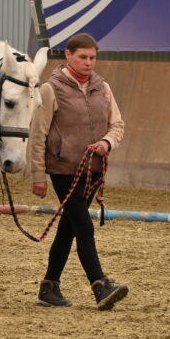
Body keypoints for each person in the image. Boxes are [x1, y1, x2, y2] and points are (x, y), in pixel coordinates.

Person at [29, 32, 128, 311]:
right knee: (83, 226)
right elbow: (38, 134)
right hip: (64, 170)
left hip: (93, 170)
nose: (88, 62)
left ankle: (49, 287)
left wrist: (107, 143)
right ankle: (100, 285)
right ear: (68, 56)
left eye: (92, 57)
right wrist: (38, 175)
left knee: (69, 228)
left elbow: (117, 124)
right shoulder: (50, 89)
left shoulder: (102, 88)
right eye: (83, 57)